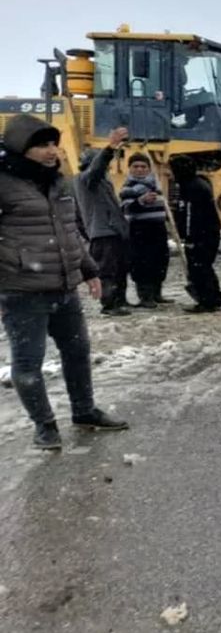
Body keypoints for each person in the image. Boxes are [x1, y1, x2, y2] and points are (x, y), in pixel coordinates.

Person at [0, 114, 130, 449]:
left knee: (77, 351)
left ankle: (84, 412)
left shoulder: (58, 182)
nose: (51, 150)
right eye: (41, 145)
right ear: (20, 148)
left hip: (64, 287)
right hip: (23, 292)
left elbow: (70, 232)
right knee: (28, 364)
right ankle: (45, 426)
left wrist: (89, 270)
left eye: (53, 143)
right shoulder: (3, 183)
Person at [76, 127, 133, 316]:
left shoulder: (100, 182)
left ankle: (119, 300)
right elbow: (97, 168)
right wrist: (110, 148)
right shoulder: (86, 179)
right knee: (107, 270)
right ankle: (109, 304)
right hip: (103, 233)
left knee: (120, 268)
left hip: (113, 232)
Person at [170, 156, 221, 313]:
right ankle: (214, 298)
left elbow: (191, 215)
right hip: (207, 233)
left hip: (201, 235)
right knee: (204, 266)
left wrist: (188, 237)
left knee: (199, 268)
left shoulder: (193, 188)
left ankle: (206, 301)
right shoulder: (196, 184)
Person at [120, 153, 172, 308]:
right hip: (140, 231)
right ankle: (145, 296)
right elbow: (126, 209)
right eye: (136, 166)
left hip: (158, 229)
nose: (140, 170)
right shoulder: (127, 188)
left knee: (160, 261)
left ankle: (157, 293)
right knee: (143, 263)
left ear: (149, 169)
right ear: (129, 168)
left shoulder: (156, 186)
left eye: (143, 166)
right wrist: (141, 201)